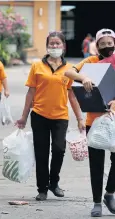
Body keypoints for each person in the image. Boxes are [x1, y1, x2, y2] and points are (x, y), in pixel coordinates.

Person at [64, 28, 115, 217]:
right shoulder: (90, 62)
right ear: (96, 46)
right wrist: (84, 77)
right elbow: (69, 72)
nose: (106, 47)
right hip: (93, 121)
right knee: (96, 163)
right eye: (102, 44)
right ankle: (96, 203)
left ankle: (109, 194)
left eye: (109, 43)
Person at [16, 31, 85, 201]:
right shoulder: (37, 66)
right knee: (41, 152)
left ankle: (54, 182)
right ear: (47, 46)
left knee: (59, 149)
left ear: (63, 46)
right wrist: (23, 117)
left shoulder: (70, 70)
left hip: (60, 116)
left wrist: (80, 118)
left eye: (57, 44)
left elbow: (72, 95)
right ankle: (42, 189)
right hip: (39, 115)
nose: (54, 46)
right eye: (51, 44)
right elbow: (30, 92)